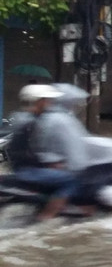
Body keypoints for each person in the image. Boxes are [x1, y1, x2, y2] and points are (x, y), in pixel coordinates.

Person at [7, 85, 86, 221]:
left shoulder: (20, 117)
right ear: (38, 101)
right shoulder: (34, 121)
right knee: (72, 180)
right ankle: (46, 217)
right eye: (46, 100)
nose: (49, 103)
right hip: (28, 169)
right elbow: (36, 149)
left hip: (20, 166)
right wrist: (52, 163)